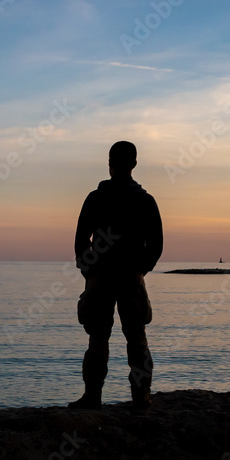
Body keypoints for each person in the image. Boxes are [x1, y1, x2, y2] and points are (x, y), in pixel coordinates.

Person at [69, 141, 163, 410]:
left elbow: (80, 241)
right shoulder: (144, 201)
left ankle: (93, 397)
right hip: (126, 277)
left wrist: (90, 270)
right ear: (134, 164)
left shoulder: (97, 198)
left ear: (110, 163)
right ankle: (141, 398)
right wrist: (139, 271)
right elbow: (155, 245)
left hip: (104, 276)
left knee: (99, 337)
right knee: (136, 338)